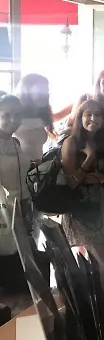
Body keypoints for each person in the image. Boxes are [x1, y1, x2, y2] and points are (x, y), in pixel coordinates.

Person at [61, 100, 104, 267]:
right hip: (80, 206)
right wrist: (90, 157)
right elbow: (71, 183)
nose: (94, 118)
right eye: (88, 114)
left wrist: (100, 178)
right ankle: (98, 283)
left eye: (98, 115)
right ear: (80, 118)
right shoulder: (71, 142)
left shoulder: (103, 142)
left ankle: (94, 280)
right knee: (102, 259)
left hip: (100, 202)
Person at [0, 94, 33, 238]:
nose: (13, 120)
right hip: (4, 210)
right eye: (7, 115)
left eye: (17, 115)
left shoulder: (15, 142)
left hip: (23, 205)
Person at [15, 74, 57, 163]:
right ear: (27, 91)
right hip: (18, 167)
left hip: (37, 167)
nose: (45, 93)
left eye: (46, 89)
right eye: (40, 89)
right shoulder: (14, 115)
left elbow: (56, 117)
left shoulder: (41, 116)